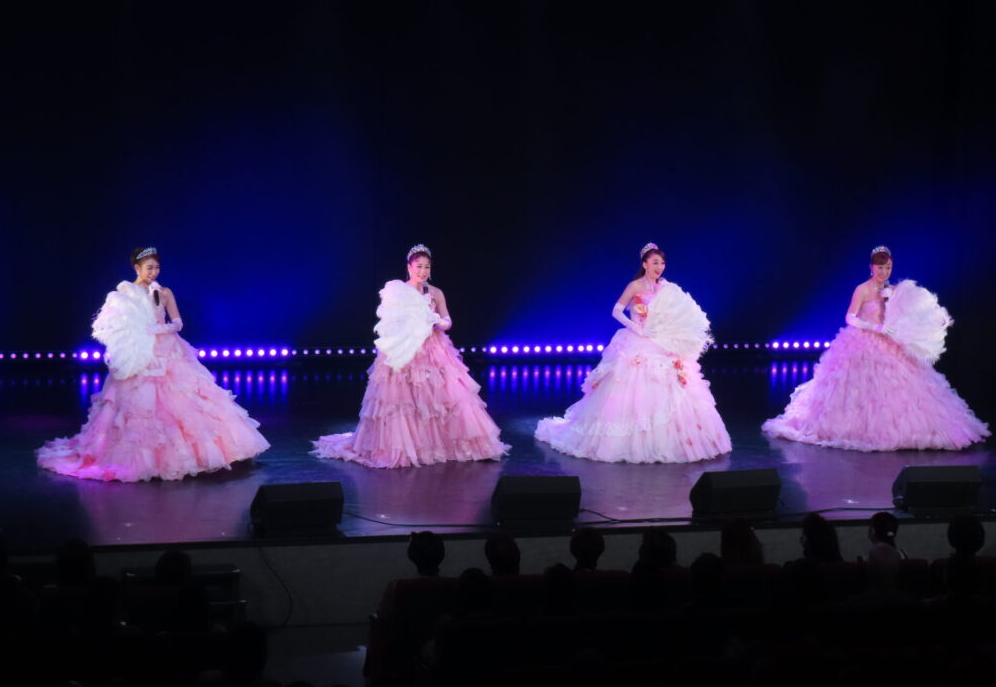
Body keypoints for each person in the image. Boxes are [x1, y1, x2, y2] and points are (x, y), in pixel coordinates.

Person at [37, 247, 269, 481]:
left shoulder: (164, 292)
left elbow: (178, 323)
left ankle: (198, 453)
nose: (154, 272)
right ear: (136, 268)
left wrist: (158, 328)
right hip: (139, 353)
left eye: (157, 267)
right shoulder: (125, 295)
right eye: (149, 268)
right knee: (138, 402)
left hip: (166, 349)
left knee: (181, 399)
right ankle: (140, 458)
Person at [763, 245, 989, 451]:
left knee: (902, 385)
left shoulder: (892, 289)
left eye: (888, 268)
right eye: (880, 268)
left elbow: (904, 314)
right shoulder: (862, 289)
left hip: (890, 342)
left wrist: (893, 304)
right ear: (871, 267)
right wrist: (874, 327)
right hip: (864, 341)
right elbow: (850, 317)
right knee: (858, 388)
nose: (884, 272)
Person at [312, 244, 508, 468]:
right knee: (403, 399)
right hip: (405, 349)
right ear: (409, 267)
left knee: (439, 397)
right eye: (419, 266)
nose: (423, 271)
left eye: (427, 267)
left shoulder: (435, 292)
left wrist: (438, 322)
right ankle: (405, 445)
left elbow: (448, 320)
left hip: (433, 349)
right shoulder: (398, 292)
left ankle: (439, 444)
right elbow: (389, 322)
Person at [535, 243, 731, 463]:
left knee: (676, 383)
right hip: (638, 340)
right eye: (655, 262)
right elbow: (616, 310)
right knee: (632, 385)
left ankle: (671, 441)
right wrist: (637, 328)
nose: (660, 267)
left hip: (660, 342)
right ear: (645, 264)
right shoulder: (635, 286)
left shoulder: (665, 288)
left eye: (662, 263)